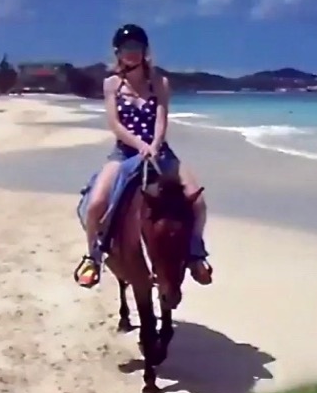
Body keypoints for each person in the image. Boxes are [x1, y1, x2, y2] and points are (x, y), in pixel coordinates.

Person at [74, 24, 213, 289]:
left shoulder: (159, 82)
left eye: (137, 48)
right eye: (127, 48)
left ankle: (196, 253)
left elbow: (161, 118)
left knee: (198, 201)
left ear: (145, 51)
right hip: (123, 153)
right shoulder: (111, 84)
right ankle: (92, 257)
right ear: (118, 52)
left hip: (160, 151)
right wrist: (139, 144)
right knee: (95, 204)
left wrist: (155, 143)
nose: (132, 53)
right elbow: (115, 124)